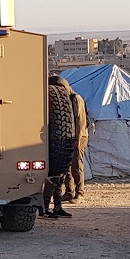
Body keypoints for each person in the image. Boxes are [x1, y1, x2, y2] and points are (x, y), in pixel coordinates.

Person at [42, 73, 88, 218]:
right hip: (60, 140)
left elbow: (80, 121)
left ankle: (78, 193)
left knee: (74, 166)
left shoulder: (75, 99)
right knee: (62, 172)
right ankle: (61, 201)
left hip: (74, 138)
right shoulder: (58, 100)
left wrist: (77, 140)